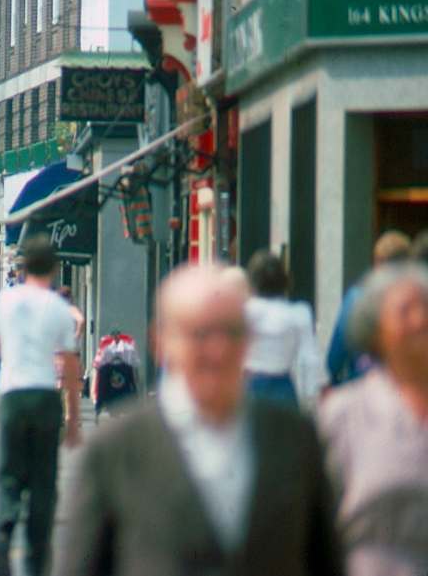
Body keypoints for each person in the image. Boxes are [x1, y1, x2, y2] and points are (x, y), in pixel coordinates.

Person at [53, 263, 341, 576]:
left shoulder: (295, 440)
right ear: (161, 343)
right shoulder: (115, 450)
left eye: (230, 332)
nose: (217, 350)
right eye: (200, 334)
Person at [318, 262, 428, 576]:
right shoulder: (342, 416)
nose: (420, 320)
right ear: (376, 330)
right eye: (406, 311)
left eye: (427, 308)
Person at [0, 236, 81, 576]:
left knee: (10, 474)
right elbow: (70, 365)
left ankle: (3, 532)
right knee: (44, 480)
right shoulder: (58, 307)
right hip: (45, 396)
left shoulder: (6, 300)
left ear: (24, 266)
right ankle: (36, 557)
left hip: (12, 395)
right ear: (55, 267)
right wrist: (72, 420)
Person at [327, 230, 411, 386]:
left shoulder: (356, 298)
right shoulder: (417, 301)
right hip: (405, 392)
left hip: (362, 384)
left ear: (377, 261)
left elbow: (337, 351)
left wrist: (332, 379)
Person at [243, 250, 325, 408]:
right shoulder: (299, 313)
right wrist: (313, 393)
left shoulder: (244, 312)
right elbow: (309, 357)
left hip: (250, 385)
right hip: (283, 387)